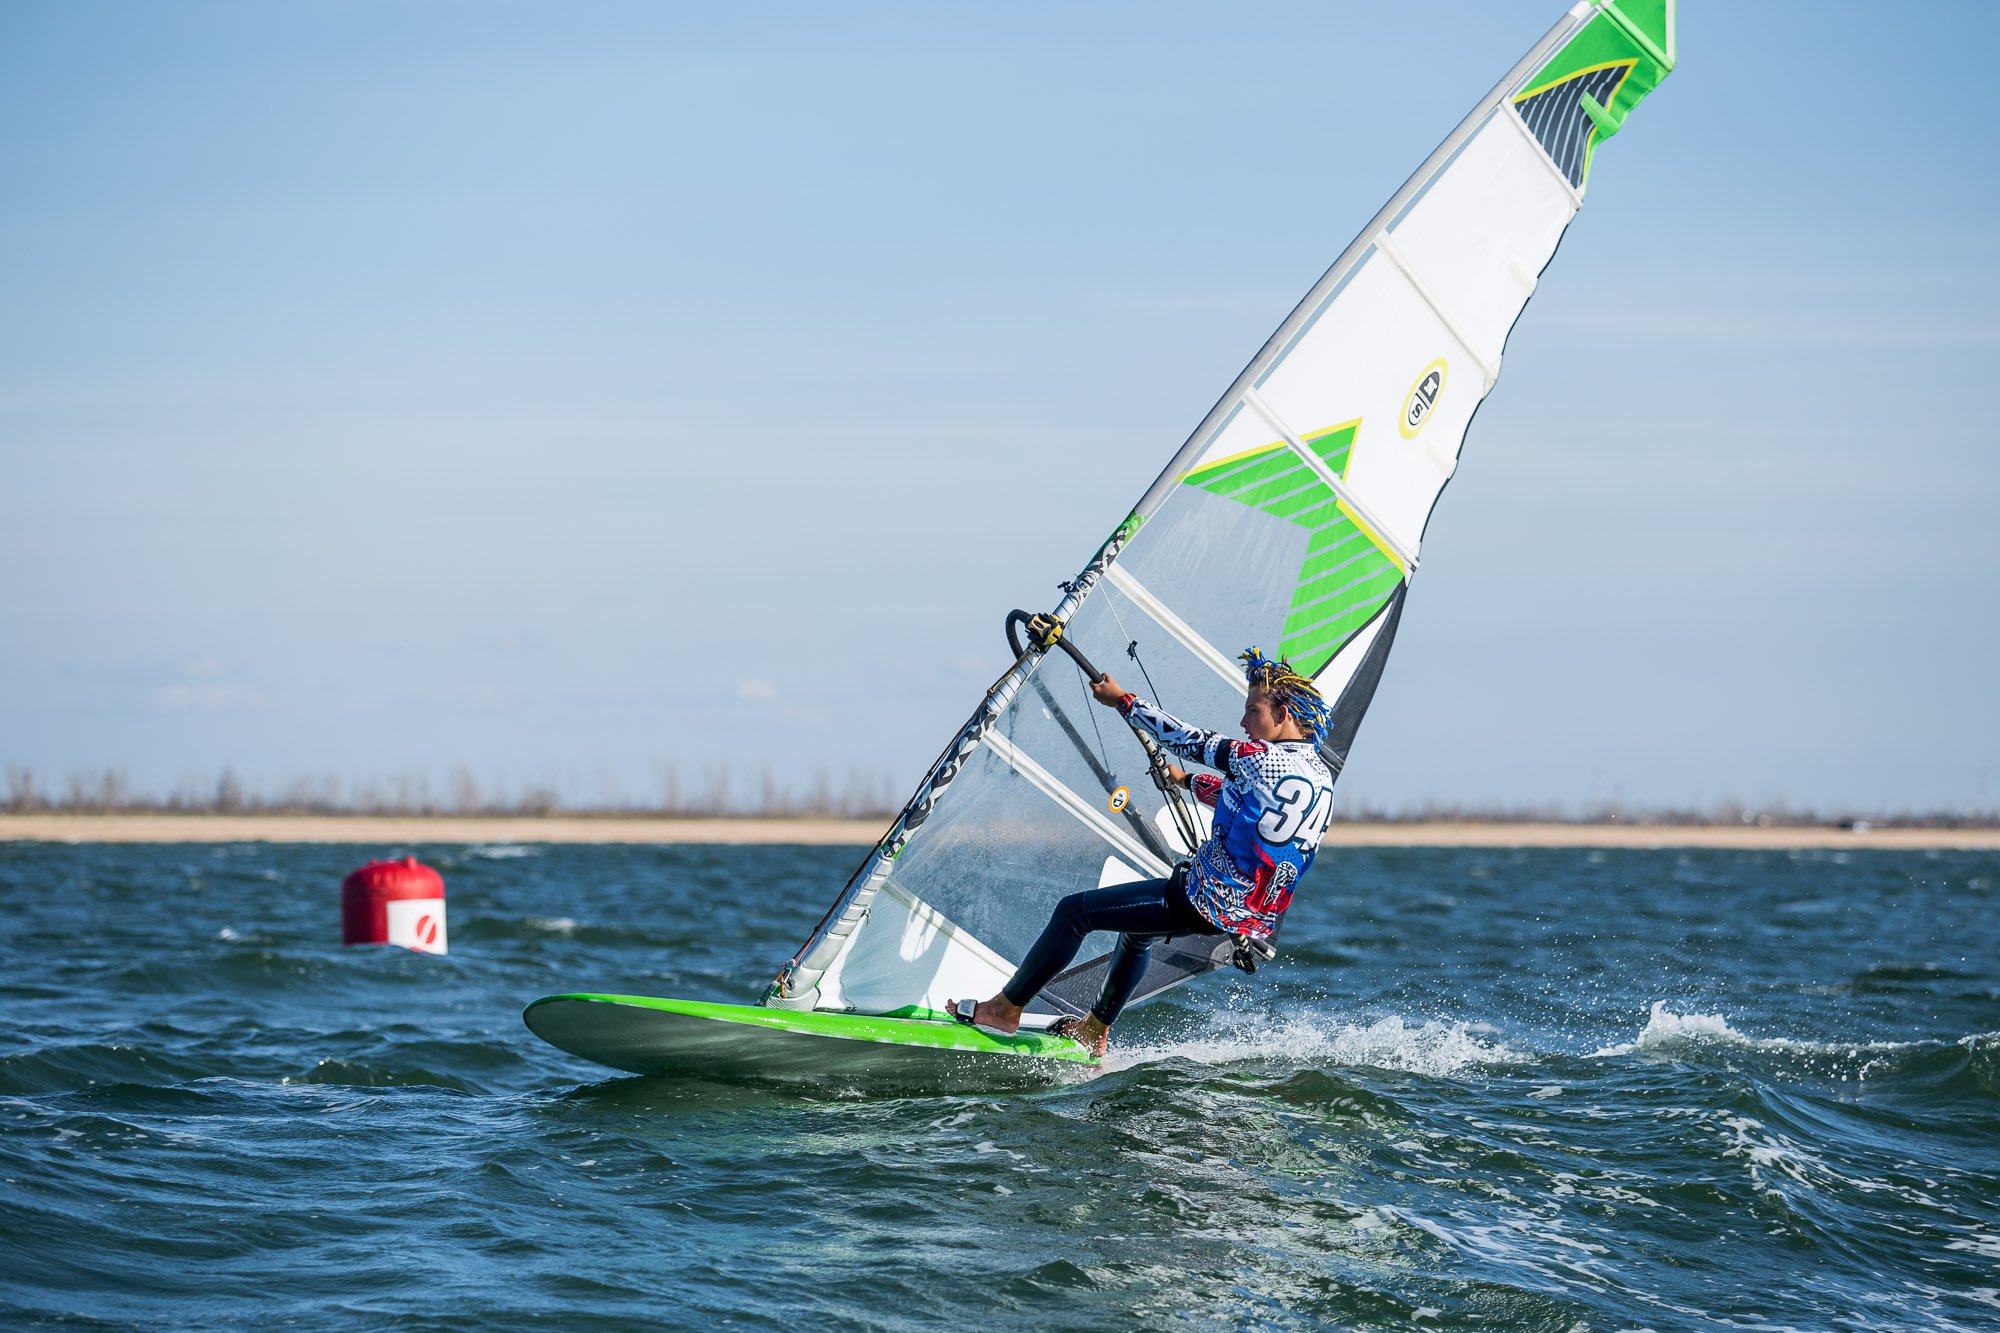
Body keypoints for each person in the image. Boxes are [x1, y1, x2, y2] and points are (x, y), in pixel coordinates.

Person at [951, 648, 1337, 1057]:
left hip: (1203, 900)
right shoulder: (1319, 777)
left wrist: (1123, 700)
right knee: (1137, 934)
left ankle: (1005, 1010)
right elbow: (1248, 803)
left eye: (1253, 711)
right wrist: (1186, 782)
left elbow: (1189, 740)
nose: (1244, 723)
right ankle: (1095, 1029)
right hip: (1249, 917)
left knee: (1073, 913)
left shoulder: (1257, 756)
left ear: (1283, 713)